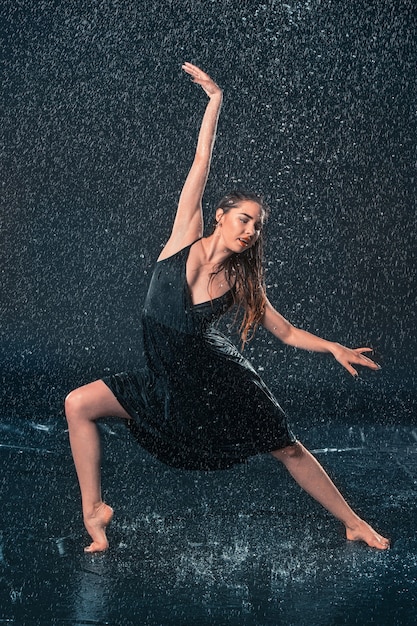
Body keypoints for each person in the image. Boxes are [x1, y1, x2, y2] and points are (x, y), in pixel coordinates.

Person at [65, 62, 390, 553]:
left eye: (256, 226)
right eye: (243, 219)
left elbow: (283, 331)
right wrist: (214, 100)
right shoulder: (182, 238)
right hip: (164, 381)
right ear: (219, 215)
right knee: (78, 404)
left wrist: (333, 347)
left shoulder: (241, 281)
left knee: (285, 445)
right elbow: (201, 160)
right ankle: (95, 511)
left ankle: (354, 523)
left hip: (216, 379)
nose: (249, 231)